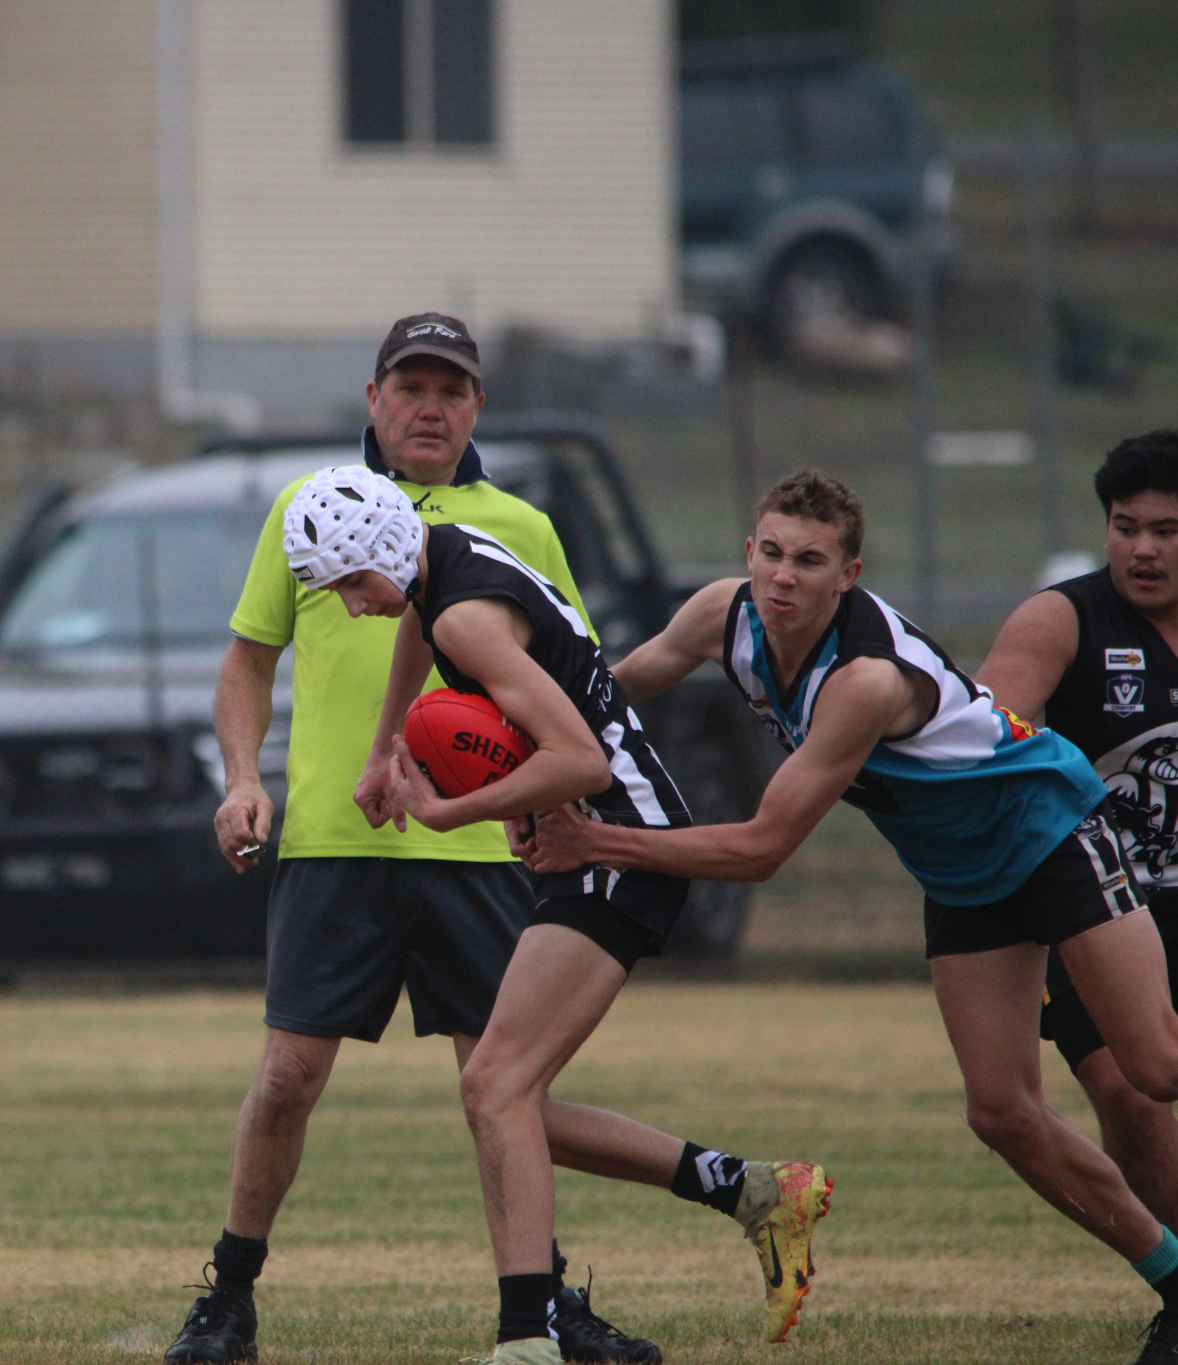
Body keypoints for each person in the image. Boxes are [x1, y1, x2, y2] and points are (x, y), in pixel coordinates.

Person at [166, 314, 826, 1365]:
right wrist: (345, 762)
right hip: (341, 845)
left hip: (524, 848)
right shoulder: (328, 518)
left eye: (451, 389)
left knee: (502, 1094)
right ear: (372, 396)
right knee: (345, 1082)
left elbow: (574, 717)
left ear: (476, 404)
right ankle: (235, 1300)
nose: (429, 406)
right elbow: (351, 640)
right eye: (409, 385)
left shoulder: (508, 527)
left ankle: (537, 1320)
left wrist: (453, 806)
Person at [528, 467, 1178, 1365]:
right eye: (771, 553)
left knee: (1156, 1064)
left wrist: (595, 841)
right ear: (748, 553)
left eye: (810, 561)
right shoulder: (721, 614)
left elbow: (763, 849)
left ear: (849, 574)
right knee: (1001, 1112)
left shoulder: (865, 681)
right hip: (962, 872)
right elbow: (614, 689)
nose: (784, 578)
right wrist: (519, 732)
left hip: (1049, 833)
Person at [288, 466, 832, 1365]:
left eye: (352, 584)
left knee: (494, 1086)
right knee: (505, 1093)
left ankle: (528, 1338)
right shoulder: (444, 563)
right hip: (593, 838)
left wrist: (450, 809)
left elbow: (578, 758)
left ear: (384, 550)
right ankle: (753, 1191)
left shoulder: (460, 609)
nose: (352, 606)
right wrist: (388, 747)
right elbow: (419, 628)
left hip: (619, 841)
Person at [977, 429, 1178, 1261]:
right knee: (1126, 1090)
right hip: (1100, 907)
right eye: (1124, 525)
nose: (1141, 548)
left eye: (1166, 529)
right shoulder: (1059, 621)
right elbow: (985, 749)